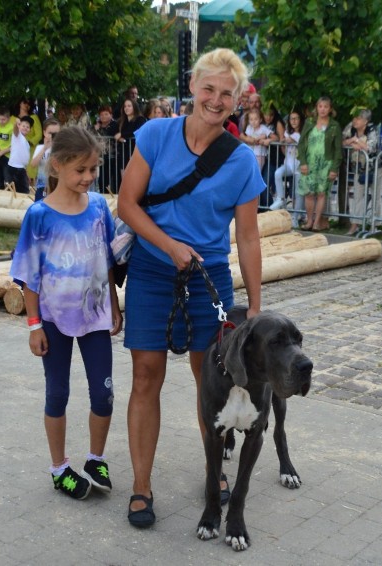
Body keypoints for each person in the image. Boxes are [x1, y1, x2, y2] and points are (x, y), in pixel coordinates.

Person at [117, 47, 265, 529]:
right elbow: (127, 204)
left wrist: (257, 312)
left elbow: (247, 236)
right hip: (151, 271)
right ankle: (141, 487)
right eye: (209, 89)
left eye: (227, 93)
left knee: (213, 383)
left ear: (237, 100)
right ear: (193, 86)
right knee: (145, 376)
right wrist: (169, 244)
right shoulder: (156, 134)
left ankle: (212, 473)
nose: (216, 100)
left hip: (209, 280)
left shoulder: (242, 161)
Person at [10, 126, 123, 501]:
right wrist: (33, 325)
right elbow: (29, 276)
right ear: (57, 166)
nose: (89, 177)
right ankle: (59, 468)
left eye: (93, 169)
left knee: (103, 394)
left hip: (95, 316)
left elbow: (107, 258)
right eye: (81, 170)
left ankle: (96, 459)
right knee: (57, 393)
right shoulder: (39, 215)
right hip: (54, 320)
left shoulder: (98, 207)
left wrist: (115, 307)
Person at [296, 96, 342, 231]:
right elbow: (301, 144)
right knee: (309, 193)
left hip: (326, 164)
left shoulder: (334, 126)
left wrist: (334, 168)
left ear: (330, 109)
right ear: (317, 108)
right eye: (320, 106)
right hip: (309, 163)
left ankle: (317, 222)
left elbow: (338, 149)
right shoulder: (309, 122)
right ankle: (309, 221)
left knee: (321, 193)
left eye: (326, 106)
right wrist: (303, 162)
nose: (322, 109)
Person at [341, 108, 379, 234]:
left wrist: (356, 141)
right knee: (357, 196)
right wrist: (352, 141)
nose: (355, 121)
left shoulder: (372, 130)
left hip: (375, 167)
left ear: (366, 121)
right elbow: (342, 142)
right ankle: (355, 225)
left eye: (358, 119)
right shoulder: (351, 128)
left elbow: (371, 148)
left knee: (375, 196)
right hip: (359, 167)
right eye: (354, 118)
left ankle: (374, 225)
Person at [272, 111, 303, 212]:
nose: (293, 121)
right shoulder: (288, 132)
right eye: (291, 118)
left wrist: (282, 140)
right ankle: (280, 198)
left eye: (296, 118)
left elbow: (288, 140)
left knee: (298, 193)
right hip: (289, 163)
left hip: (299, 165)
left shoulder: (300, 134)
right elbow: (284, 147)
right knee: (277, 173)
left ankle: (296, 216)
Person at [29, 118, 61, 202]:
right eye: (50, 133)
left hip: (58, 185)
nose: (53, 136)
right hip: (42, 185)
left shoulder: (62, 148)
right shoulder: (40, 148)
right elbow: (33, 164)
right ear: (44, 133)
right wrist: (44, 148)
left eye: (56, 134)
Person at [114, 98, 146, 180]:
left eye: (129, 106)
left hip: (135, 152)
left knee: (135, 179)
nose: (126, 108)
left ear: (134, 107)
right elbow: (112, 131)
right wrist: (119, 137)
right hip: (124, 153)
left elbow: (136, 131)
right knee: (124, 178)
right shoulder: (122, 121)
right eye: (125, 106)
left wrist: (122, 135)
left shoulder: (140, 119)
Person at [92, 105, 118, 194]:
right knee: (102, 179)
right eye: (101, 115)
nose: (103, 116)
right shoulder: (97, 125)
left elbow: (111, 133)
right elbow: (91, 134)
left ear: (111, 115)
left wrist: (99, 128)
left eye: (106, 114)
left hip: (113, 156)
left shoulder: (114, 124)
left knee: (115, 179)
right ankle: (104, 195)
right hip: (102, 156)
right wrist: (96, 128)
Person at [7, 116, 32, 194]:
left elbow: (24, 159)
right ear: (19, 126)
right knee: (13, 190)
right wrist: (16, 123)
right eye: (23, 126)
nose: (25, 128)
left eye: (27, 127)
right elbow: (15, 130)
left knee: (24, 190)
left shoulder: (27, 143)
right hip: (13, 168)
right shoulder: (17, 136)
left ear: (30, 130)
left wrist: (26, 172)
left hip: (22, 169)